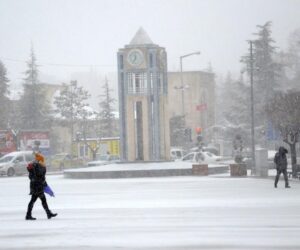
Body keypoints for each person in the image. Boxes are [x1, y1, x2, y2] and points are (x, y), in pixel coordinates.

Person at [25, 152, 57, 220]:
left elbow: (40, 178)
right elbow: (38, 177)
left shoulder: (36, 166)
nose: (43, 162)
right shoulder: (37, 167)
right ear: (40, 161)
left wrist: (45, 185)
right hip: (37, 187)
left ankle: (48, 213)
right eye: (42, 160)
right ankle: (29, 215)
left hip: (37, 186)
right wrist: (40, 183)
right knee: (38, 200)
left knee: (38, 200)